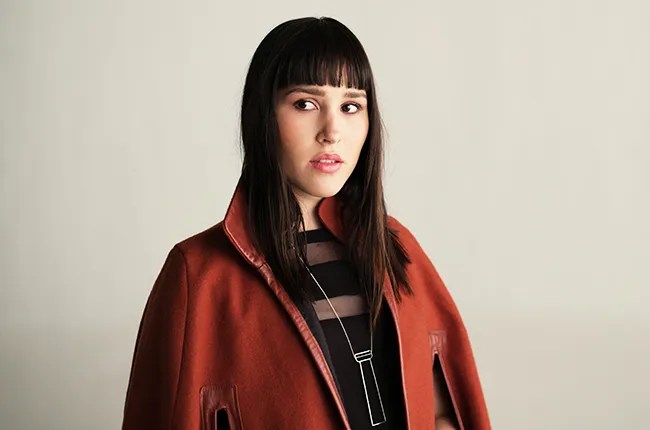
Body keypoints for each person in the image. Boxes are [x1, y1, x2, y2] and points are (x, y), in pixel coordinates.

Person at [122, 16, 490, 430]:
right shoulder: (198, 274)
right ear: (262, 115)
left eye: (351, 106)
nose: (332, 131)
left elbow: (442, 413)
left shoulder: (397, 248)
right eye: (305, 104)